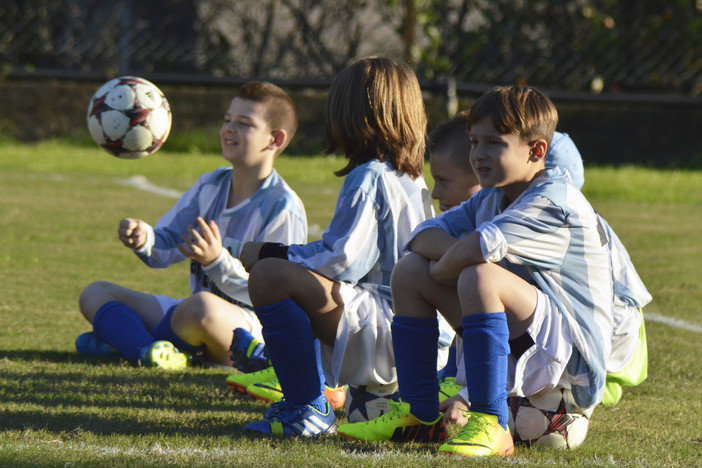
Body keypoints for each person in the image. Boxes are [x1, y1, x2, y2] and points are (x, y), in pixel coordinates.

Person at [337, 85, 617, 458]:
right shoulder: (491, 196)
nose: (478, 155)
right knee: (409, 272)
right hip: (530, 342)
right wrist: (447, 262)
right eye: (474, 142)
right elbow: (420, 236)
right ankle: (418, 414)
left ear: (536, 151)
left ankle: (491, 421)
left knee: (479, 275)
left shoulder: (553, 202)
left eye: (494, 144)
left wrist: (449, 263)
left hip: (571, 366)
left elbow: (475, 249)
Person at [235, 56, 433, 437]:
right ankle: (371, 395)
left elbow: (341, 261)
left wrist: (269, 252)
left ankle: (306, 406)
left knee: (270, 277)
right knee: (283, 275)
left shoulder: (370, 175)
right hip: (416, 334)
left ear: (350, 113)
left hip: (389, 329)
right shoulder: (409, 173)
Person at [75, 81, 307, 370]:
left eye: (244, 123)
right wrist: (144, 237)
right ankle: (150, 350)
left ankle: (127, 343)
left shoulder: (283, 207)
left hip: (252, 327)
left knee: (202, 305)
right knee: (95, 293)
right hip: (191, 315)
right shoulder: (210, 185)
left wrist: (216, 261)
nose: (229, 129)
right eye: (227, 120)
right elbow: (165, 247)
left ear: (276, 140)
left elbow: (275, 293)